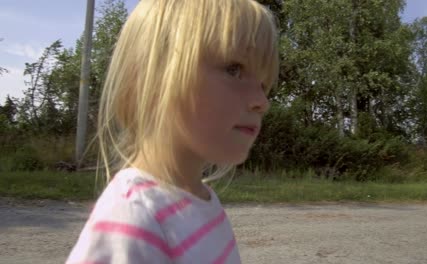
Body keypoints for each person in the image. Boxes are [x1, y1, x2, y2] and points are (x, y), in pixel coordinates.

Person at [66, 0, 278, 263]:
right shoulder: (134, 218)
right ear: (150, 78)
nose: (262, 101)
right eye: (234, 69)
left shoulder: (203, 201)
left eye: (264, 83)